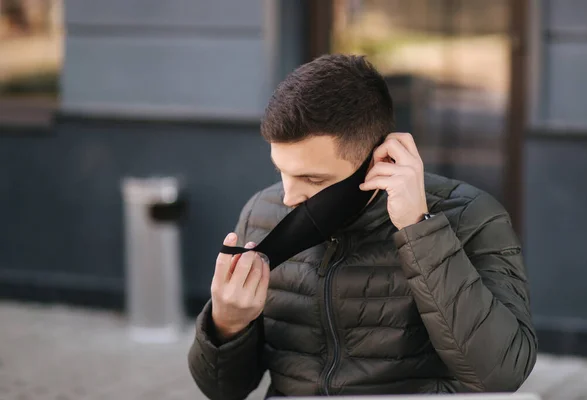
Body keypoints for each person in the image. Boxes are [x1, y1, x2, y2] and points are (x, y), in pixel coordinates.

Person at [187, 54, 537, 398]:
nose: (289, 196)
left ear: (378, 161)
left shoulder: (472, 217)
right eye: (282, 171)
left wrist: (420, 229)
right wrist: (227, 325)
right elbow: (222, 390)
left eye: (312, 178)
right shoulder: (262, 213)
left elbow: (500, 376)